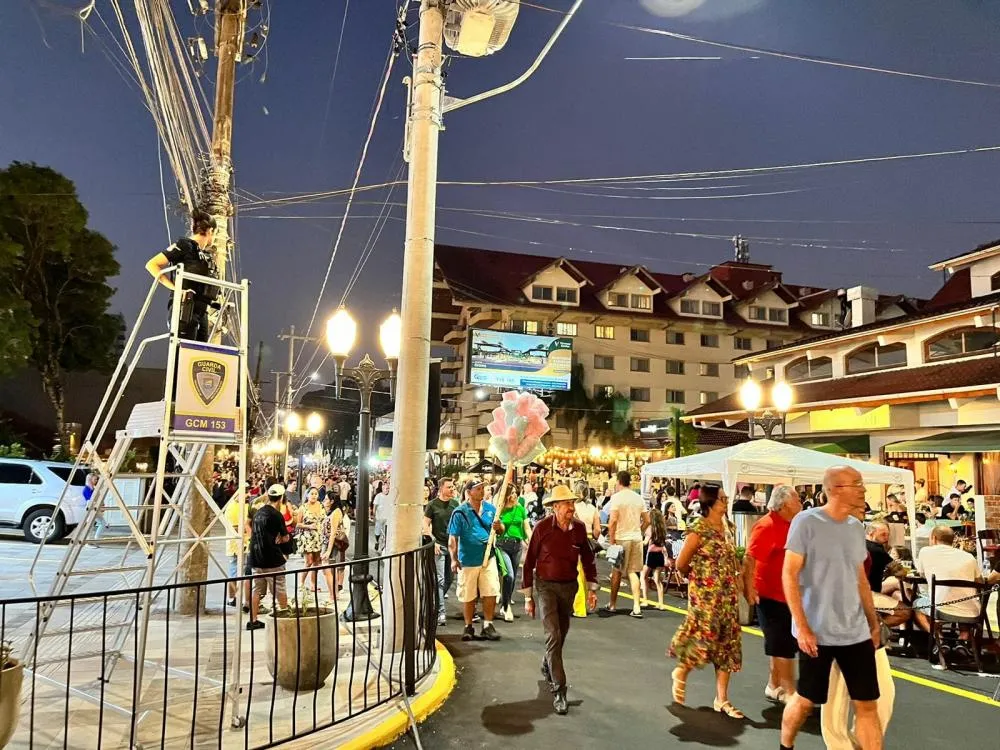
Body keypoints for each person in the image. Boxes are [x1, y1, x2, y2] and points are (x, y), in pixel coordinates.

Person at [780, 466, 883, 750]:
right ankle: (785, 746)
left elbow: (859, 578)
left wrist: (873, 622)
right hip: (817, 631)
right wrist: (802, 627)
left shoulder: (855, 528)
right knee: (805, 701)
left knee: (867, 705)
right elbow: (789, 574)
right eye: (857, 484)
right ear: (837, 488)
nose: (863, 489)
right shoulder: (806, 522)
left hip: (855, 631)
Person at [669, 484, 744, 718]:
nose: (726, 502)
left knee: (727, 645)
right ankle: (682, 671)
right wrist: (701, 578)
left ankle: (722, 699)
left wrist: (739, 580)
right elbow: (681, 563)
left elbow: (733, 559)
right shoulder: (699, 528)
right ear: (710, 502)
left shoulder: (728, 528)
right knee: (703, 639)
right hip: (705, 598)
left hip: (728, 597)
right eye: (722, 499)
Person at [522, 484, 598, 715]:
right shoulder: (542, 528)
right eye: (566, 504)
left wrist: (592, 588)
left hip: (569, 587)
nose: (571, 508)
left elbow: (587, 557)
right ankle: (559, 690)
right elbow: (529, 561)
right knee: (553, 635)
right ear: (555, 507)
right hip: (545, 587)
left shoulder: (579, 529)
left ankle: (548, 663)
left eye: (572, 503)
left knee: (560, 634)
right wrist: (528, 597)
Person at [744, 485, 802, 704]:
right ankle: (789, 690)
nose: (800, 502)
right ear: (785, 504)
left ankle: (774, 685)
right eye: (796, 499)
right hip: (771, 594)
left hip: (789, 594)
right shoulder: (767, 526)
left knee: (782, 644)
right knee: (782, 645)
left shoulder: (792, 525)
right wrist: (749, 589)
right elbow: (750, 558)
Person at [145, 208, 219, 342]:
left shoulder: (205, 256)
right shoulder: (184, 245)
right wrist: (176, 289)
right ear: (210, 231)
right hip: (185, 308)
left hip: (202, 312)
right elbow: (152, 264)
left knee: (198, 360)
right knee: (182, 356)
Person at [448, 479, 503, 642]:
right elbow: (453, 538)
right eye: (478, 489)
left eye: (482, 488)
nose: (481, 491)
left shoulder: (491, 509)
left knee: (491, 590)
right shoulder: (460, 512)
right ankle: (468, 625)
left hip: (488, 557)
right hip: (468, 559)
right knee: (468, 593)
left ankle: (488, 624)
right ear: (469, 492)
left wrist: (499, 527)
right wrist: (453, 558)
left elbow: (501, 529)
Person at [912, 525, 983, 640]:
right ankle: (963, 637)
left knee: (917, 605)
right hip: (972, 612)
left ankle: (939, 638)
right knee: (962, 598)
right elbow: (980, 582)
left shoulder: (925, 552)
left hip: (941, 610)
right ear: (953, 540)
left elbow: (921, 574)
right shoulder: (969, 557)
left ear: (934, 538)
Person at [247, 484, 292, 631]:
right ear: (280, 499)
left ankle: (253, 620)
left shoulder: (258, 513)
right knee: (279, 588)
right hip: (272, 558)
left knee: (257, 590)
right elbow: (285, 537)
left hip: (256, 558)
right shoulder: (276, 515)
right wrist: (282, 538)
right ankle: (284, 619)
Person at [606, 471, 649, 618]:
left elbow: (612, 521)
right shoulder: (639, 498)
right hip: (636, 538)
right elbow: (647, 520)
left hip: (621, 538)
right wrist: (640, 530)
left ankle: (612, 604)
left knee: (617, 571)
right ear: (630, 482)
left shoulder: (616, 498)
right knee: (633, 571)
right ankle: (636, 606)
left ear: (618, 482)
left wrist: (612, 541)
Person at [424, 478, 460, 627]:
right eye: (449, 487)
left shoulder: (455, 504)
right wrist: (433, 541)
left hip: (452, 545)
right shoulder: (432, 505)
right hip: (439, 546)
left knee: (449, 578)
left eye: (453, 487)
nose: (452, 489)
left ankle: (434, 601)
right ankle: (441, 612)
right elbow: (425, 525)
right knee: (439, 580)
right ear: (441, 489)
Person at [496, 480, 531, 623]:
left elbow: (527, 527)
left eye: (516, 493)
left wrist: (532, 540)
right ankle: (506, 607)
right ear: (505, 495)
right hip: (502, 545)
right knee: (509, 575)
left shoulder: (521, 508)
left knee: (512, 576)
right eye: (512, 493)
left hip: (517, 546)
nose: (515, 495)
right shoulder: (499, 509)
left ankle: (506, 602)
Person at [572, 480, 602, 617]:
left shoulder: (573, 508)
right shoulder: (593, 508)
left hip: (576, 541)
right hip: (589, 542)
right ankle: (582, 605)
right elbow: (598, 530)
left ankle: (578, 608)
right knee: (586, 574)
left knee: (576, 575)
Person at [223, 490, 253, 609]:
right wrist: (249, 529)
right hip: (235, 545)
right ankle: (232, 598)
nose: (248, 495)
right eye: (246, 493)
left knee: (247, 573)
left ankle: (245, 600)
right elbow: (235, 528)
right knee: (234, 573)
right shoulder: (232, 508)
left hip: (247, 543)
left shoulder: (246, 505)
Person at [296, 488, 326, 597]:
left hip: (318, 536)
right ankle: (301, 583)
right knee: (308, 561)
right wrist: (308, 526)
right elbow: (298, 524)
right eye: (312, 493)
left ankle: (313, 584)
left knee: (316, 562)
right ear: (307, 495)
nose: (314, 496)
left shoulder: (321, 506)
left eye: (316, 494)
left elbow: (324, 519)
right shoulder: (303, 508)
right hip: (307, 537)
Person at [640, 508, 670, 609]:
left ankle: (645, 601)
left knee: (644, 576)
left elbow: (645, 542)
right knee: (657, 579)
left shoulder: (650, 529)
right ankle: (661, 603)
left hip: (651, 554)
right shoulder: (662, 529)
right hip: (660, 554)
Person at [864, 522, 893, 593]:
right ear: (871, 533)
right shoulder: (877, 549)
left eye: (888, 535)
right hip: (871, 592)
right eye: (883, 534)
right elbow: (897, 570)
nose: (886, 538)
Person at [372, 480, 390, 553]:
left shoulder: (390, 496)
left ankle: (384, 546)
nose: (387, 490)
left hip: (387, 518)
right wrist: (373, 515)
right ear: (382, 489)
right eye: (386, 489)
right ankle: (377, 542)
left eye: (388, 488)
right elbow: (375, 506)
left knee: (386, 532)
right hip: (379, 517)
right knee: (378, 531)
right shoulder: (378, 496)